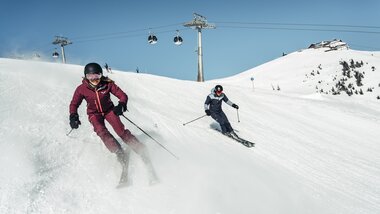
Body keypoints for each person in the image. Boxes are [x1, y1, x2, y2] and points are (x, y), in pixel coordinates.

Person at [69, 62, 157, 184]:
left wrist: (122, 104)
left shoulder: (108, 84)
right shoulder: (81, 89)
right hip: (94, 114)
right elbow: (74, 104)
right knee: (101, 132)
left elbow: (122, 95)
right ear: (85, 77)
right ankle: (120, 153)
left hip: (109, 110)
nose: (94, 79)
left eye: (97, 76)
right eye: (90, 77)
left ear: (101, 75)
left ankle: (141, 149)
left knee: (121, 131)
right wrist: (73, 115)